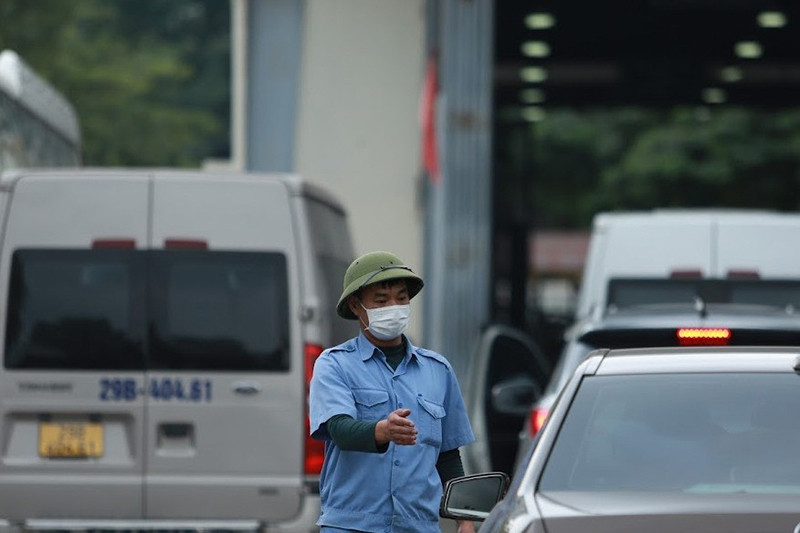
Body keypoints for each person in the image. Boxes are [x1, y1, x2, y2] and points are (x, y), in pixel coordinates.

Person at [309, 250, 476, 533]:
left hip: (418, 526)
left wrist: (465, 519)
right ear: (356, 306)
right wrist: (382, 431)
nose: (394, 307)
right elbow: (338, 429)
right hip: (352, 525)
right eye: (381, 300)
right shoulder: (334, 364)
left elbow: (447, 454)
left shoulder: (438, 370)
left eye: (401, 298)